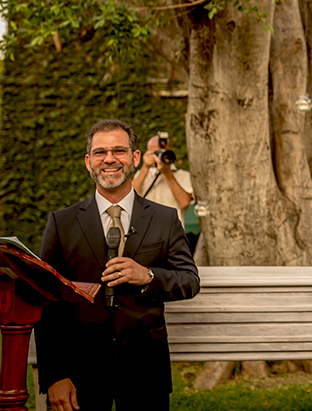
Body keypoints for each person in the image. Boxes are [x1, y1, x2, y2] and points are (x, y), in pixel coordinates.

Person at [36, 119, 200, 411]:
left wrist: (147, 276)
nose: (109, 159)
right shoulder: (61, 223)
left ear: (135, 158)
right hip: (78, 371)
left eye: (119, 151)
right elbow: (49, 303)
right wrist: (55, 375)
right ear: (88, 162)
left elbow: (189, 280)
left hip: (145, 369)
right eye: (100, 152)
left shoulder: (165, 218)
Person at [133, 133, 194, 228]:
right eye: (155, 153)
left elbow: (184, 203)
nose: (159, 157)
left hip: (172, 234)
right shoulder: (141, 176)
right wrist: (145, 168)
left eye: (163, 152)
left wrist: (168, 174)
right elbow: (129, 196)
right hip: (145, 233)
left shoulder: (183, 176)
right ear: (147, 153)